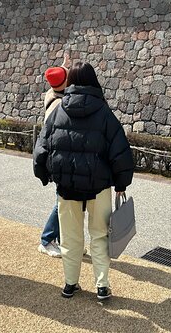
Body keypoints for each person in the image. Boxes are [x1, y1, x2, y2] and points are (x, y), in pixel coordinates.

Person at [33, 62, 134, 300]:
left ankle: (70, 284)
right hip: (98, 187)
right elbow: (120, 152)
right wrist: (121, 184)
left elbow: (42, 148)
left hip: (66, 188)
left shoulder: (58, 110)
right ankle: (101, 286)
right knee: (99, 235)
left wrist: (44, 175)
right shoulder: (104, 113)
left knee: (70, 237)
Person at [37, 63, 68, 258]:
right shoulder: (60, 105)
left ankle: (63, 239)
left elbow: (56, 80)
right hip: (58, 158)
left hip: (56, 157)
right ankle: (46, 240)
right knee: (62, 201)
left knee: (65, 201)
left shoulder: (52, 94)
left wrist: (64, 66)